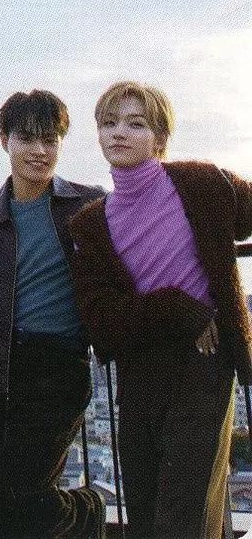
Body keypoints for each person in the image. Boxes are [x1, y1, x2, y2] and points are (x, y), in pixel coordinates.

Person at [69, 81, 252, 538]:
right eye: (108, 123)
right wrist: (181, 310)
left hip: (204, 364)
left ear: (160, 137)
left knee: (183, 515)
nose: (118, 133)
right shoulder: (91, 225)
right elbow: (102, 323)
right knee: (147, 513)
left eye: (136, 124)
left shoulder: (202, 184)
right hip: (140, 372)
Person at [0, 89, 105, 538]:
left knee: (13, 493)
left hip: (59, 368)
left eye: (50, 140)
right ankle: (82, 512)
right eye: (27, 138)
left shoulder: (88, 205)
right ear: (5, 141)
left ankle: (86, 509)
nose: (39, 151)